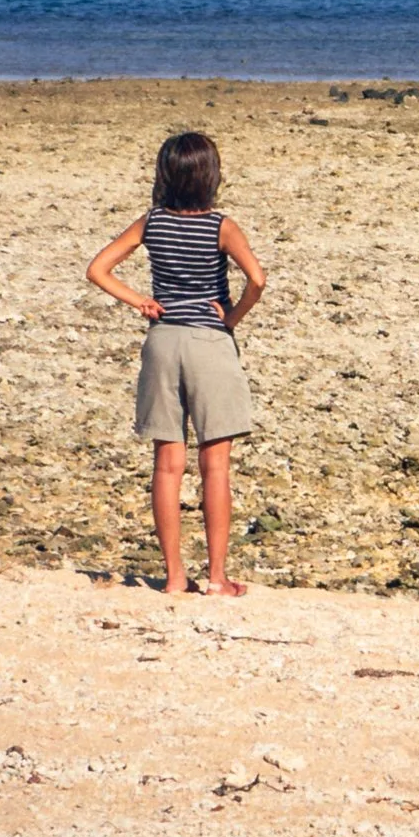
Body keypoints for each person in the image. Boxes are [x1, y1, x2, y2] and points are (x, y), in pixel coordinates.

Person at [86, 129, 267, 595]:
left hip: (163, 341)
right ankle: (216, 577)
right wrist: (233, 317)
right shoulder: (221, 226)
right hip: (209, 343)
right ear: (211, 175)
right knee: (215, 465)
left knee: (167, 464)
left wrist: (140, 301)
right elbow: (257, 279)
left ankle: (174, 576)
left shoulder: (152, 222)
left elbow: (98, 269)